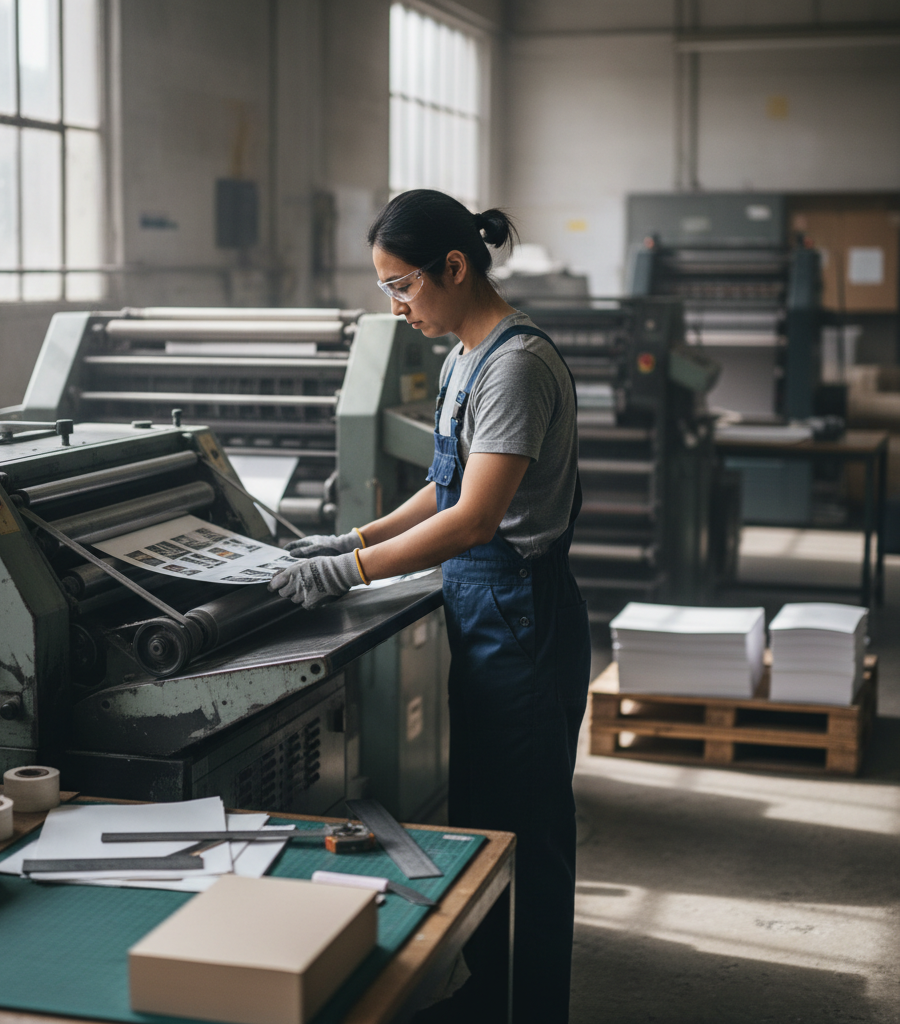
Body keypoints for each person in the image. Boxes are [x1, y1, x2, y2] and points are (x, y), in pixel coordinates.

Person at [268, 188, 590, 1023]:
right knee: (485, 824)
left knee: (532, 832)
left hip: (522, 612)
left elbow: (479, 519)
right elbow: (443, 491)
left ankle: (530, 1009)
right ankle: (491, 996)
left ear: (455, 267)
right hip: (483, 609)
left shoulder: (515, 364)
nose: (398, 307)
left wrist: (354, 572)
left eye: (403, 287)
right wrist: (348, 540)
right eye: (386, 292)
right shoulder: (462, 357)